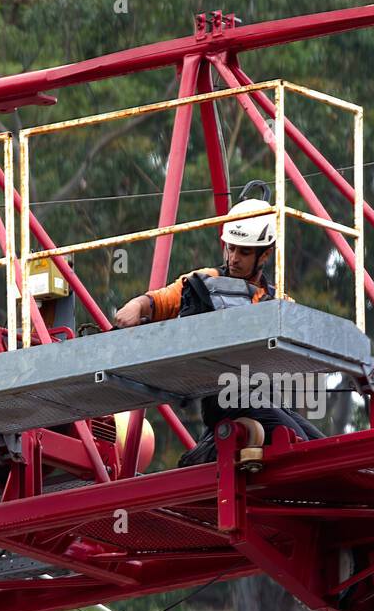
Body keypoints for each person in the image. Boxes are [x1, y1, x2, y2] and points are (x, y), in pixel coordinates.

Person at [113, 192, 323, 466]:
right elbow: (162, 300)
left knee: (321, 445)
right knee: (296, 440)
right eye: (230, 248)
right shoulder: (208, 281)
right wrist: (137, 306)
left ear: (265, 255)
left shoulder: (277, 300)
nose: (234, 258)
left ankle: (205, 452)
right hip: (226, 397)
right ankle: (206, 453)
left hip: (266, 400)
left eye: (244, 252)